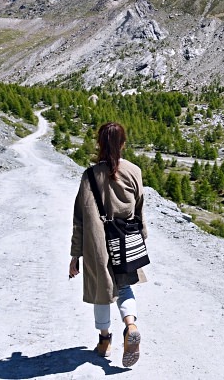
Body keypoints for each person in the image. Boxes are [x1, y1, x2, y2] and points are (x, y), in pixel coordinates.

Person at [69, 122, 147, 367]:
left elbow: (79, 219)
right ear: (123, 144)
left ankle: (105, 342)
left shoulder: (90, 175)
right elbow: (139, 208)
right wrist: (140, 238)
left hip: (97, 245)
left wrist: (75, 255)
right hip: (125, 240)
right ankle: (130, 325)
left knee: (102, 294)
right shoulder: (134, 171)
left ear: (99, 144)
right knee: (124, 287)